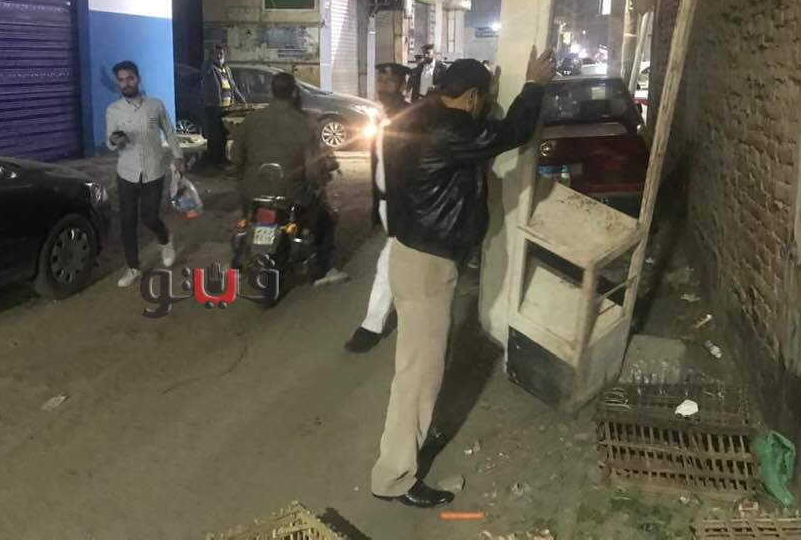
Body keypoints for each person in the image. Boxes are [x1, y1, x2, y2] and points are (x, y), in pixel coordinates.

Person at [371, 52, 556, 508]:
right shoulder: (451, 130)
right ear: (471, 97)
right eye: (483, 100)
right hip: (427, 266)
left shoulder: (417, 116)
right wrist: (533, 86)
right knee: (419, 375)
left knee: (416, 367)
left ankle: (406, 451)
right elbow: (512, 132)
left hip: (410, 254)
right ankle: (395, 477)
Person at [230, 72, 346, 284]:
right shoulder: (304, 123)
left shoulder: (252, 120)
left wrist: (242, 180)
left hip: (254, 190)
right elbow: (312, 167)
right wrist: (316, 185)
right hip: (290, 192)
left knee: (247, 221)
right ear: (294, 93)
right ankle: (324, 270)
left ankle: (236, 265)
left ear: (271, 92)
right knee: (326, 218)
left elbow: (236, 157)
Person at [345, 63, 411, 353]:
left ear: (403, 86)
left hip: (404, 204)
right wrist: (376, 208)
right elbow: (378, 167)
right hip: (387, 203)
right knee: (398, 260)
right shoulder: (378, 117)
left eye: (391, 81)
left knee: (387, 264)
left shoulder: (410, 118)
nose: (383, 85)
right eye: (380, 80)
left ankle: (371, 326)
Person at [105, 61, 186, 291]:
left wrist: (178, 156)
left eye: (130, 78)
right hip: (127, 173)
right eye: (121, 80)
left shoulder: (155, 105)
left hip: (153, 171)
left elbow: (169, 131)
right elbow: (110, 140)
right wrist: (115, 141)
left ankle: (165, 238)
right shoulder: (113, 110)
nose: (126, 83)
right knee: (127, 222)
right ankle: (133, 267)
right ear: (118, 83)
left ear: (138, 79)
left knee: (149, 217)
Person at [200, 44, 244, 165]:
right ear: (211, 55)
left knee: (223, 134)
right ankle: (213, 160)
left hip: (227, 107)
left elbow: (233, 86)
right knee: (214, 135)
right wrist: (210, 59)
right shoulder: (209, 68)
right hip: (214, 107)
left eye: (221, 54)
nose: (219, 56)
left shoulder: (227, 69)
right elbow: (205, 71)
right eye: (216, 54)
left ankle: (222, 158)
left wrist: (241, 99)